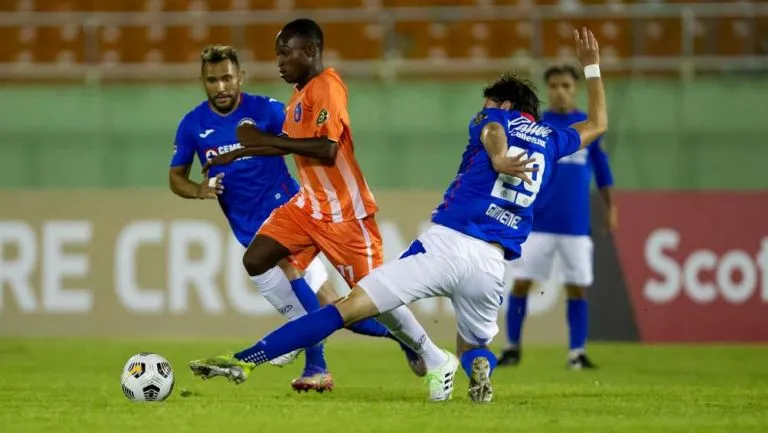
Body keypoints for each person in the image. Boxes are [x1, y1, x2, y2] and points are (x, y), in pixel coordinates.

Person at [189, 27, 608, 403]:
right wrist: (593, 70)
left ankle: (251, 358)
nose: (482, 110)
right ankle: (475, 368)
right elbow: (598, 124)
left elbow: (493, 131)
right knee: (474, 346)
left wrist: (497, 156)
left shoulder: (494, 117)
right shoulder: (553, 139)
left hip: (441, 242)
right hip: (491, 264)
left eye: (487, 104)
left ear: (503, 103)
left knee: (349, 308)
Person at [198, 19, 444, 395]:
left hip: (346, 214)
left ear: (310, 51)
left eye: (285, 53)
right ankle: (298, 333)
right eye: (277, 53)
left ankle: (426, 350)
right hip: (308, 208)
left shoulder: (328, 86)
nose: (279, 61)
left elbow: (326, 150)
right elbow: (286, 142)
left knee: (378, 301)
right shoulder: (299, 96)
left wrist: (262, 140)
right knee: (256, 258)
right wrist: (240, 151)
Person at [497, 64, 617, 370]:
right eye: (554, 86)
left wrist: (611, 208)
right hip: (537, 222)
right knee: (521, 283)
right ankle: (512, 347)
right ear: (547, 89)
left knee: (577, 287)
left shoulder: (587, 126)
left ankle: (576, 352)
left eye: (565, 85)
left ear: (574, 88)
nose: (559, 91)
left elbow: (601, 170)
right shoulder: (537, 126)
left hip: (576, 226)